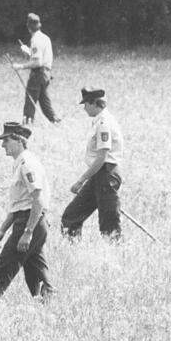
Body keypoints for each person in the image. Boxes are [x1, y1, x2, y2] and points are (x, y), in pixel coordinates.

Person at [0, 122, 54, 301]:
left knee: (3, 267)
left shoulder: (27, 164)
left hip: (31, 222)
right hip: (29, 221)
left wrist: (28, 232)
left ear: (19, 140)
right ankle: (47, 301)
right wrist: (2, 230)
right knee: (35, 271)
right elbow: (18, 205)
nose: (2, 145)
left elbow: (38, 200)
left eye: (6, 140)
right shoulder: (19, 163)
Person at [60, 88, 124, 241]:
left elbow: (102, 157)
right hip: (99, 175)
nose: (84, 108)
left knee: (109, 227)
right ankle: (74, 252)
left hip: (106, 175)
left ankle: (114, 258)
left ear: (95, 104)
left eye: (86, 104)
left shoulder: (103, 123)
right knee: (71, 217)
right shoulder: (99, 121)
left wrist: (80, 181)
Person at [13, 13, 60, 125]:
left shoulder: (35, 40)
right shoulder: (45, 38)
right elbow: (41, 57)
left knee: (30, 100)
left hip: (38, 74)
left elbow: (37, 62)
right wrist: (28, 51)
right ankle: (55, 120)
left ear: (28, 27)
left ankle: (27, 124)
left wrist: (20, 66)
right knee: (44, 100)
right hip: (46, 73)